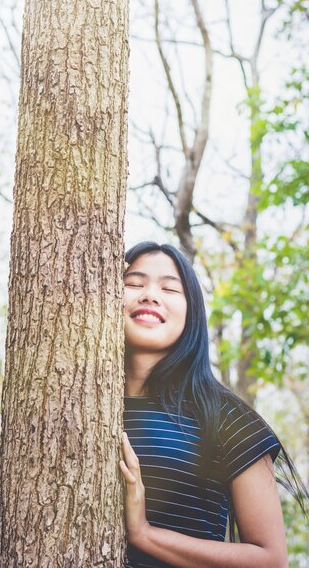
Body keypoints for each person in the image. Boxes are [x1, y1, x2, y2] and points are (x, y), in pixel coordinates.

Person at [119, 241, 308, 568]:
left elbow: (270, 559)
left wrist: (144, 533)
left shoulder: (229, 418)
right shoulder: (73, 404)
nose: (149, 294)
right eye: (133, 284)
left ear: (192, 312)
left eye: (169, 288)